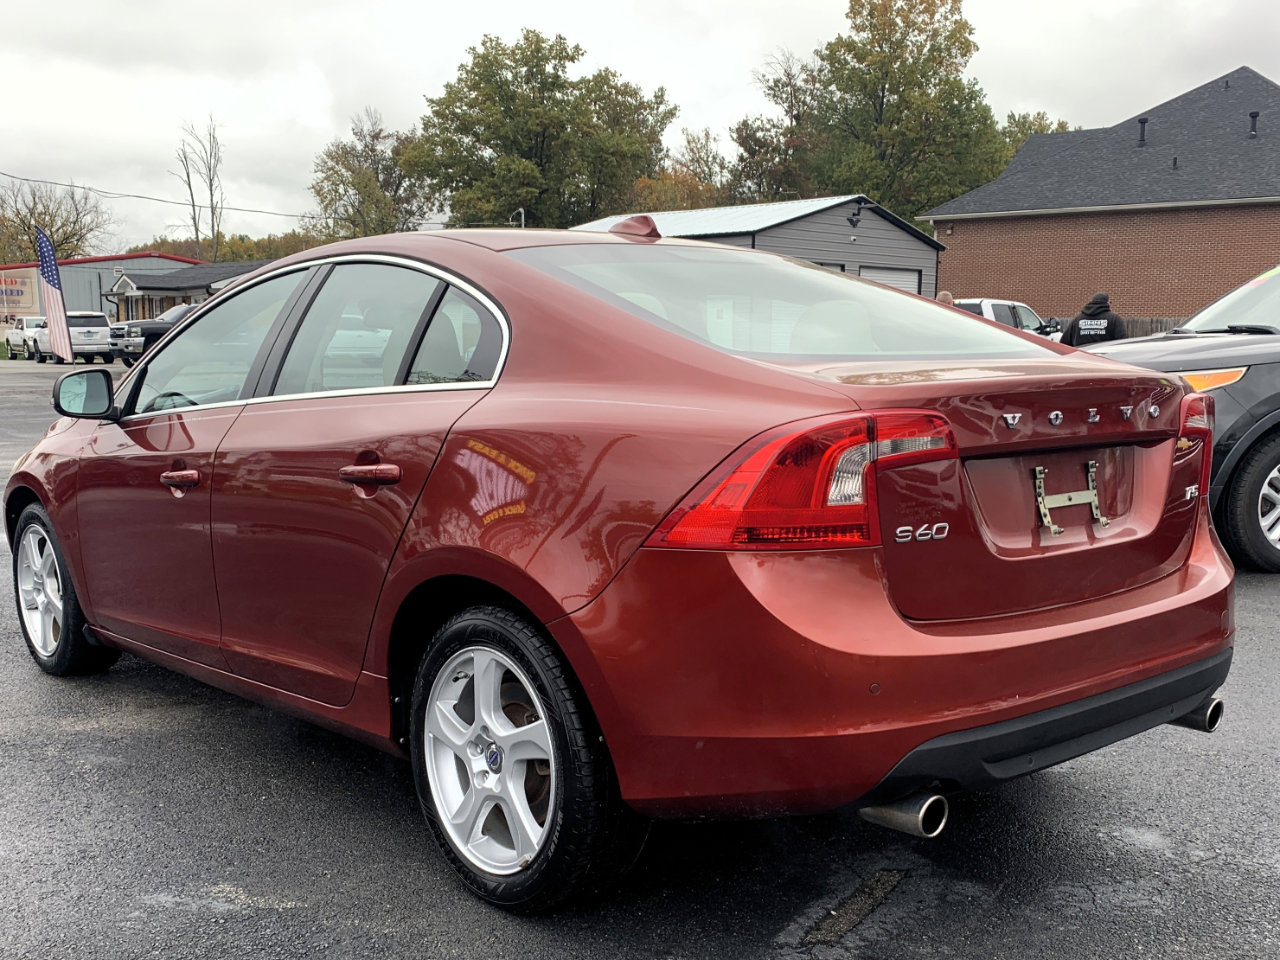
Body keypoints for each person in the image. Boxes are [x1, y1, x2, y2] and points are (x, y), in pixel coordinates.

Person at [1059, 292, 1126, 346]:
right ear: (1107, 303)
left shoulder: (1077, 319)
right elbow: (1122, 343)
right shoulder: (1115, 319)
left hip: (1082, 359)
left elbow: (1064, 343)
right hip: (1105, 359)